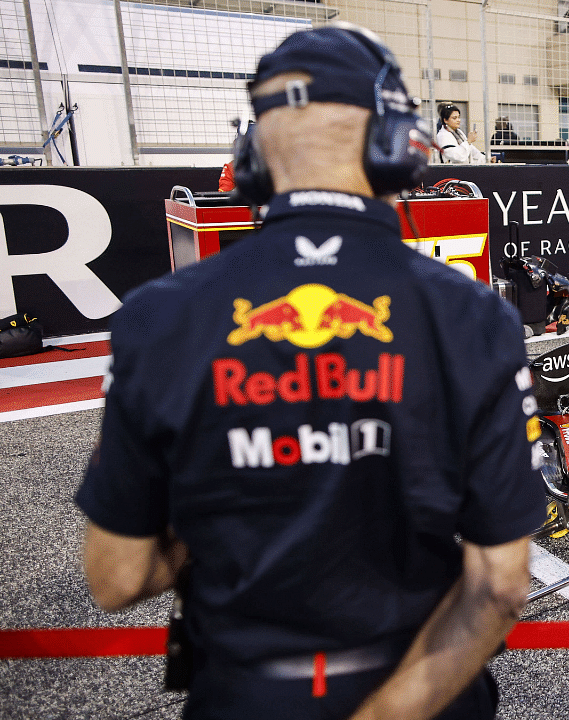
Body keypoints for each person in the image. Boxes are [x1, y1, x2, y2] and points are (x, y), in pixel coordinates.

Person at [75, 25, 544, 720]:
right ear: (397, 143)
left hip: (241, 696)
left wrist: (230, 494)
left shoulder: (157, 318)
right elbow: (502, 585)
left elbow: (117, 576)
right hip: (424, 694)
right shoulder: (475, 315)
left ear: (252, 157)